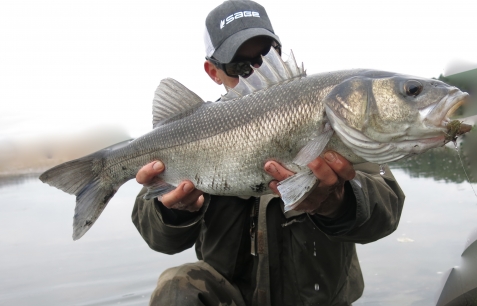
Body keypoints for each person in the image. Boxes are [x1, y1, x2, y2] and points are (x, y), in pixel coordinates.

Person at [133, 1, 405, 305]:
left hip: (319, 301)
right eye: (239, 66)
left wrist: (339, 202)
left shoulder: (334, 117)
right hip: (232, 298)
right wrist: (172, 210)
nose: (255, 72)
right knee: (177, 287)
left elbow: (387, 207)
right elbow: (158, 237)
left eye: (265, 57)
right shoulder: (192, 133)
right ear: (213, 72)